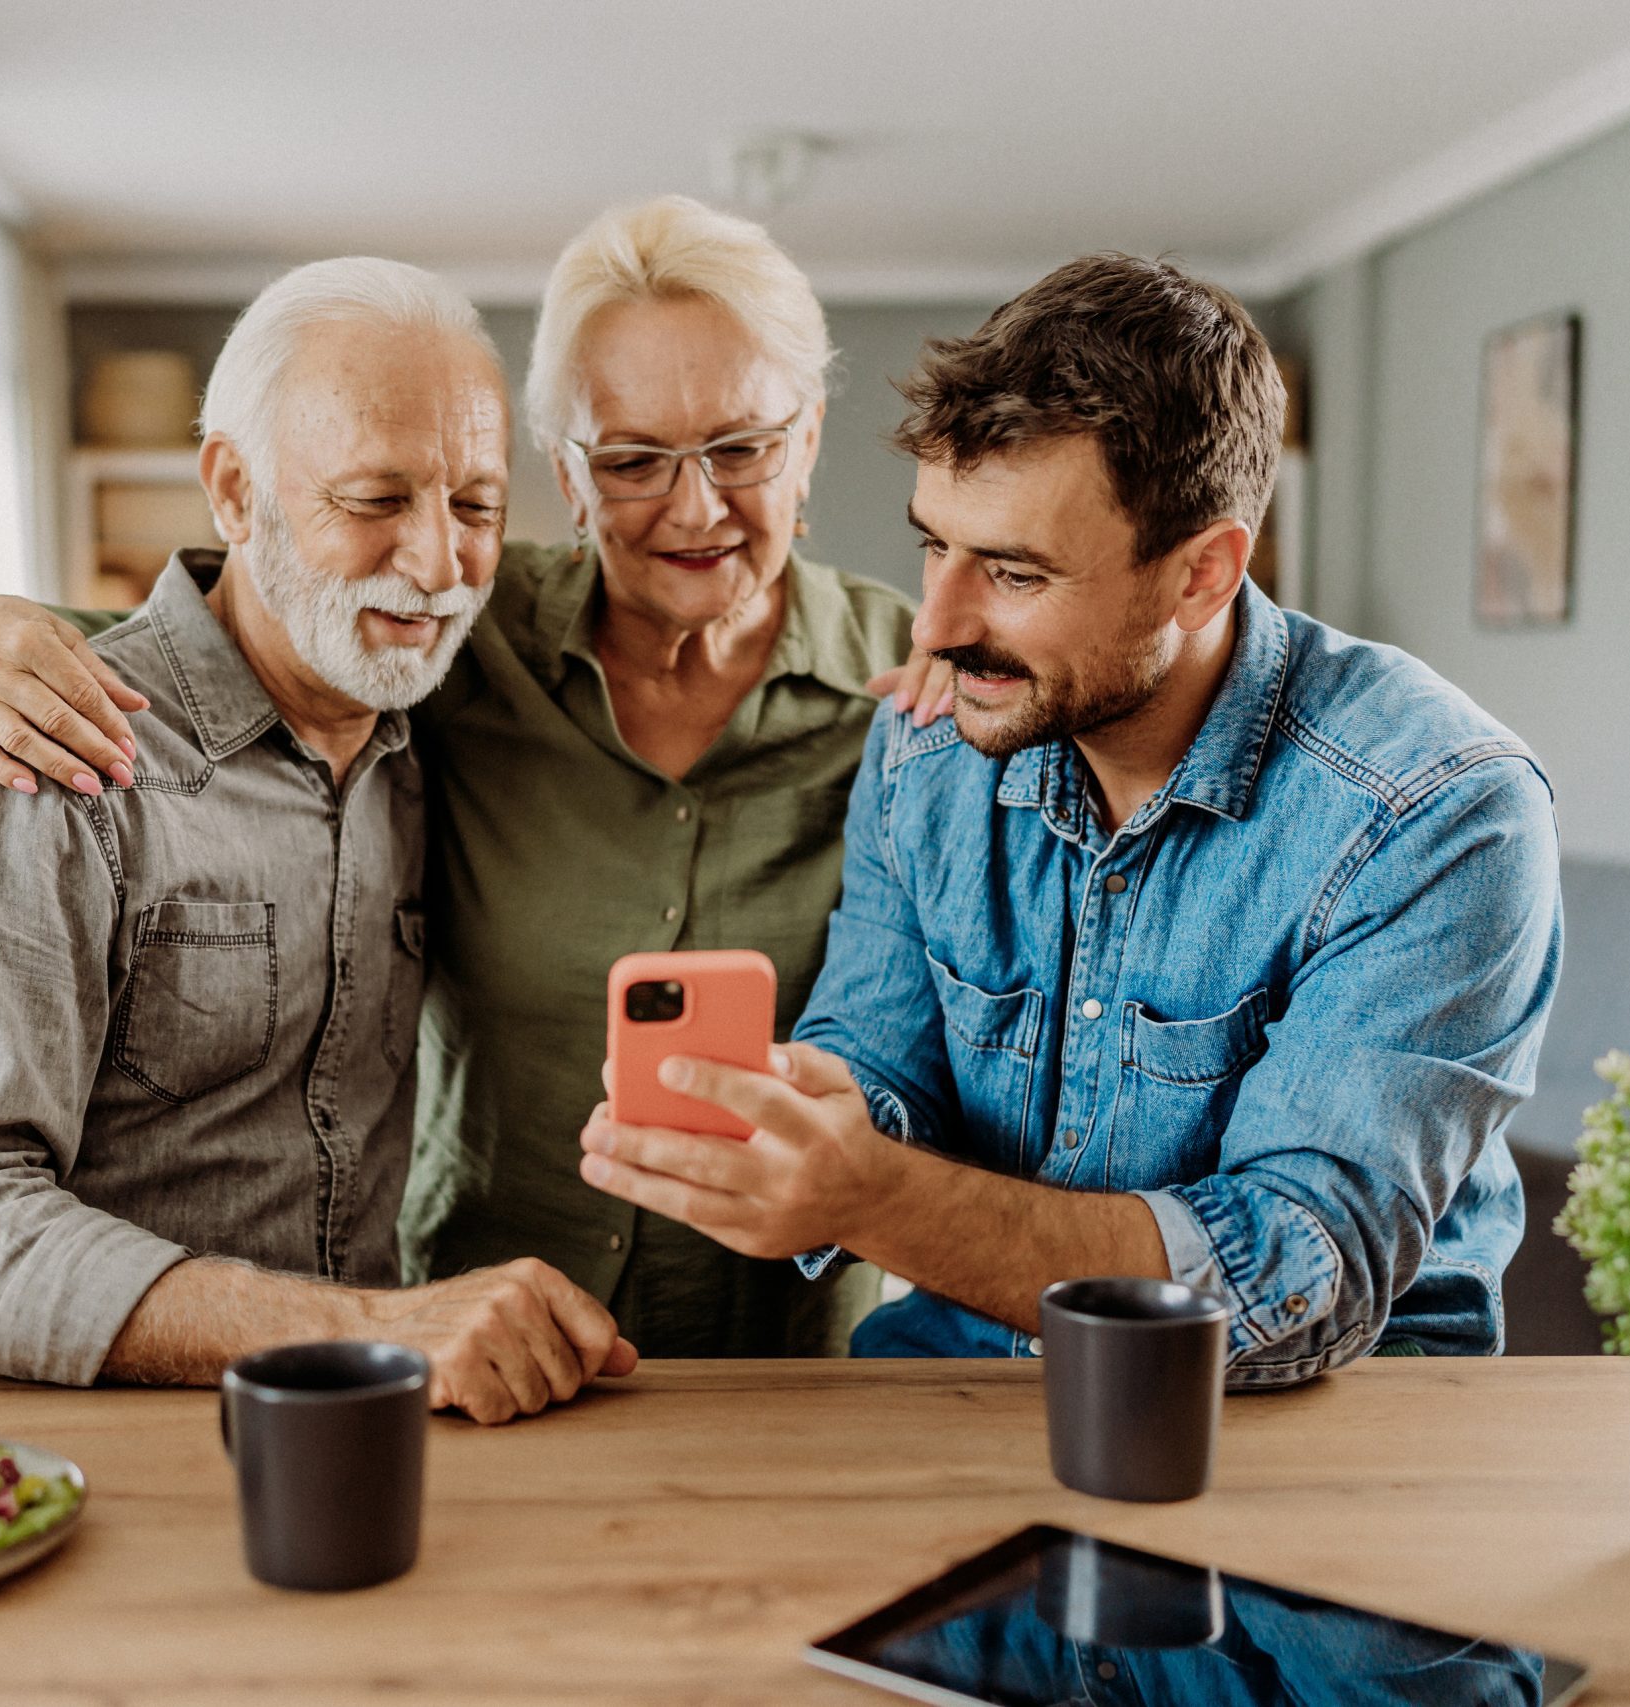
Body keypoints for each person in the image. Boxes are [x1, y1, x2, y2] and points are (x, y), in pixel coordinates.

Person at [0, 197, 949, 1358]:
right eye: (631, 461)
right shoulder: (461, 630)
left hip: (784, 1368)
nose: (696, 505)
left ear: (807, 438)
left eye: (742, 447)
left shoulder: (920, 695)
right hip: (470, 1346)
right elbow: (241, 631)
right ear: (569, 475)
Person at [576, 254, 1559, 1384]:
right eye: (933, 544)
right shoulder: (928, 744)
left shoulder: (1436, 810)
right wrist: (821, 1113)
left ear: (1200, 576)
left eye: (1011, 572)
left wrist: (874, 1198)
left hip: (1312, 1419)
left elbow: (1291, 1277)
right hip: (965, 1375)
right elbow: (881, 1054)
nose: (935, 625)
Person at [0, 257, 635, 1422]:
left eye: (475, 506)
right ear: (232, 489)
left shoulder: (428, 739)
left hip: (363, 1432)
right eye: (371, 502)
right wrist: (364, 1332)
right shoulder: (48, 762)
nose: (435, 565)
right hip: (93, 1456)